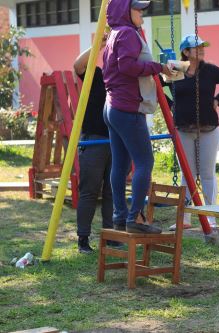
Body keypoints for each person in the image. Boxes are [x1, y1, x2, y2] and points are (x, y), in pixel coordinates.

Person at [103, 0, 173, 234]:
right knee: (145, 163)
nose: (142, 12)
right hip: (127, 107)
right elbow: (128, 67)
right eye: (137, 9)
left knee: (121, 165)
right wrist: (158, 68)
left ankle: (120, 216)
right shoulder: (128, 34)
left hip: (112, 106)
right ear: (125, 11)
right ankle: (134, 219)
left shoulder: (114, 34)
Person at [165, 34, 219, 231]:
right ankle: (185, 219)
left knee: (207, 174)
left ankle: (210, 218)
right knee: (186, 174)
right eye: (196, 47)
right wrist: (170, 105)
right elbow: (157, 87)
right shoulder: (176, 69)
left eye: (202, 47)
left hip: (208, 128)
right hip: (183, 128)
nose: (201, 50)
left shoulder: (210, 70)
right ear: (186, 52)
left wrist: (218, 100)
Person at [73, 33, 122, 253]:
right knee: (89, 191)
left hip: (116, 141)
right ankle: (83, 239)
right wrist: (99, 44)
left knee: (112, 191)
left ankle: (110, 236)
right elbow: (78, 65)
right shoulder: (96, 75)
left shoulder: (122, 80)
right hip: (94, 140)